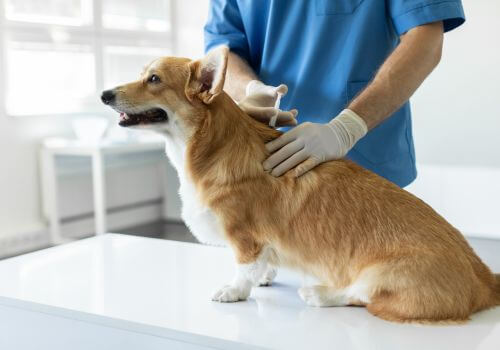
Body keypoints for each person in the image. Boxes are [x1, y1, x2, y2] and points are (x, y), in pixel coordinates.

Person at [204, 0, 465, 187]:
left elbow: (426, 37)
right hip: (266, 158)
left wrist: (346, 128)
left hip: (363, 161)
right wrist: (251, 89)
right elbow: (223, 49)